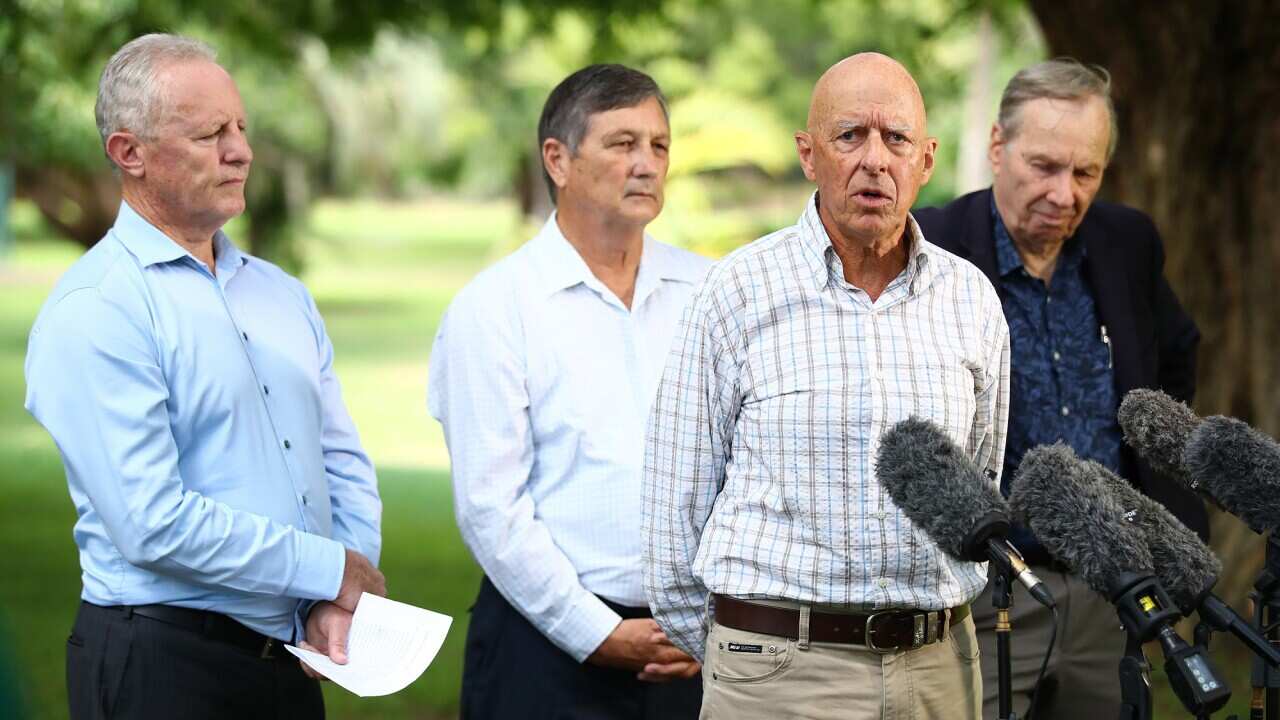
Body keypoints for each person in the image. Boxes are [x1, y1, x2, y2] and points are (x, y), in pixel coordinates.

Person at [24, 34, 385, 720]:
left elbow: (340, 459)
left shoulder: (282, 295)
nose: (240, 150)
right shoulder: (98, 310)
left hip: (290, 665)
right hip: (161, 666)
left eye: (242, 127)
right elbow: (151, 523)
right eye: (210, 133)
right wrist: (326, 568)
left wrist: (344, 592)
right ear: (128, 153)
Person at [643, 52, 1010, 720]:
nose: (875, 159)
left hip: (938, 671)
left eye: (895, 139)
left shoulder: (971, 300)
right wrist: (744, 658)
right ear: (809, 154)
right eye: (850, 136)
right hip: (779, 675)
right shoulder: (738, 290)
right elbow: (675, 511)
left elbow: (979, 479)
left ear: (925, 161)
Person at [914, 58, 1203, 719]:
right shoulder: (932, 245)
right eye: (1044, 167)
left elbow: (1174, 360)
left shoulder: (1125, 242)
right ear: (996, 146)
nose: (1065, 194)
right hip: (981, 595)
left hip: (1111, 591)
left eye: (1085, 173)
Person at [428, 64, 709, 720]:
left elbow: (748, 474)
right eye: (622, 143)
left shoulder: (710, 294)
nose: (647, 164)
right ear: (558, 158)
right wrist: (596, 632)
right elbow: (490, 506)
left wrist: (707, 620)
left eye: (659, 145)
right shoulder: (496, 308)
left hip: (690, 654)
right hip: (543, 654)